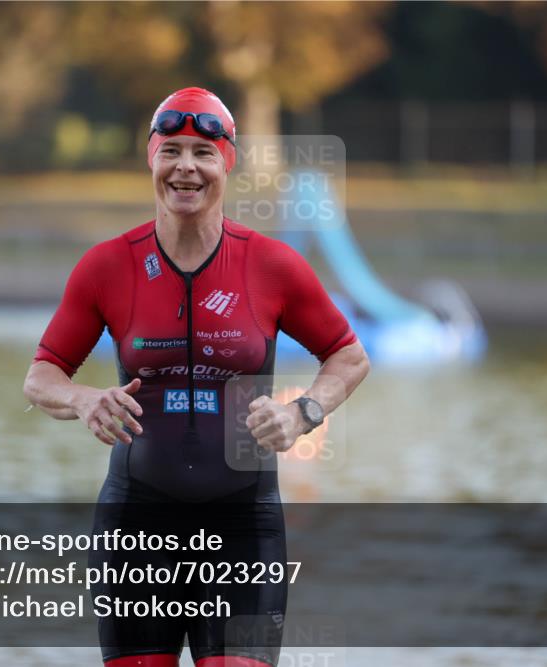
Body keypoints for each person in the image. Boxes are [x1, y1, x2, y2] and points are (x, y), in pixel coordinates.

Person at [24, 87, 369, 667]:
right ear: (151, 160)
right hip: (137, 527)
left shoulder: (272, 265)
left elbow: (348, 356)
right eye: (172, 151)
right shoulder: (109, 266)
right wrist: (84, 400)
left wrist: (302, 412)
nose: (186, 167)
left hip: (242, 525)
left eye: (203, 153)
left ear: (226, 164)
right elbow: (41, 377)